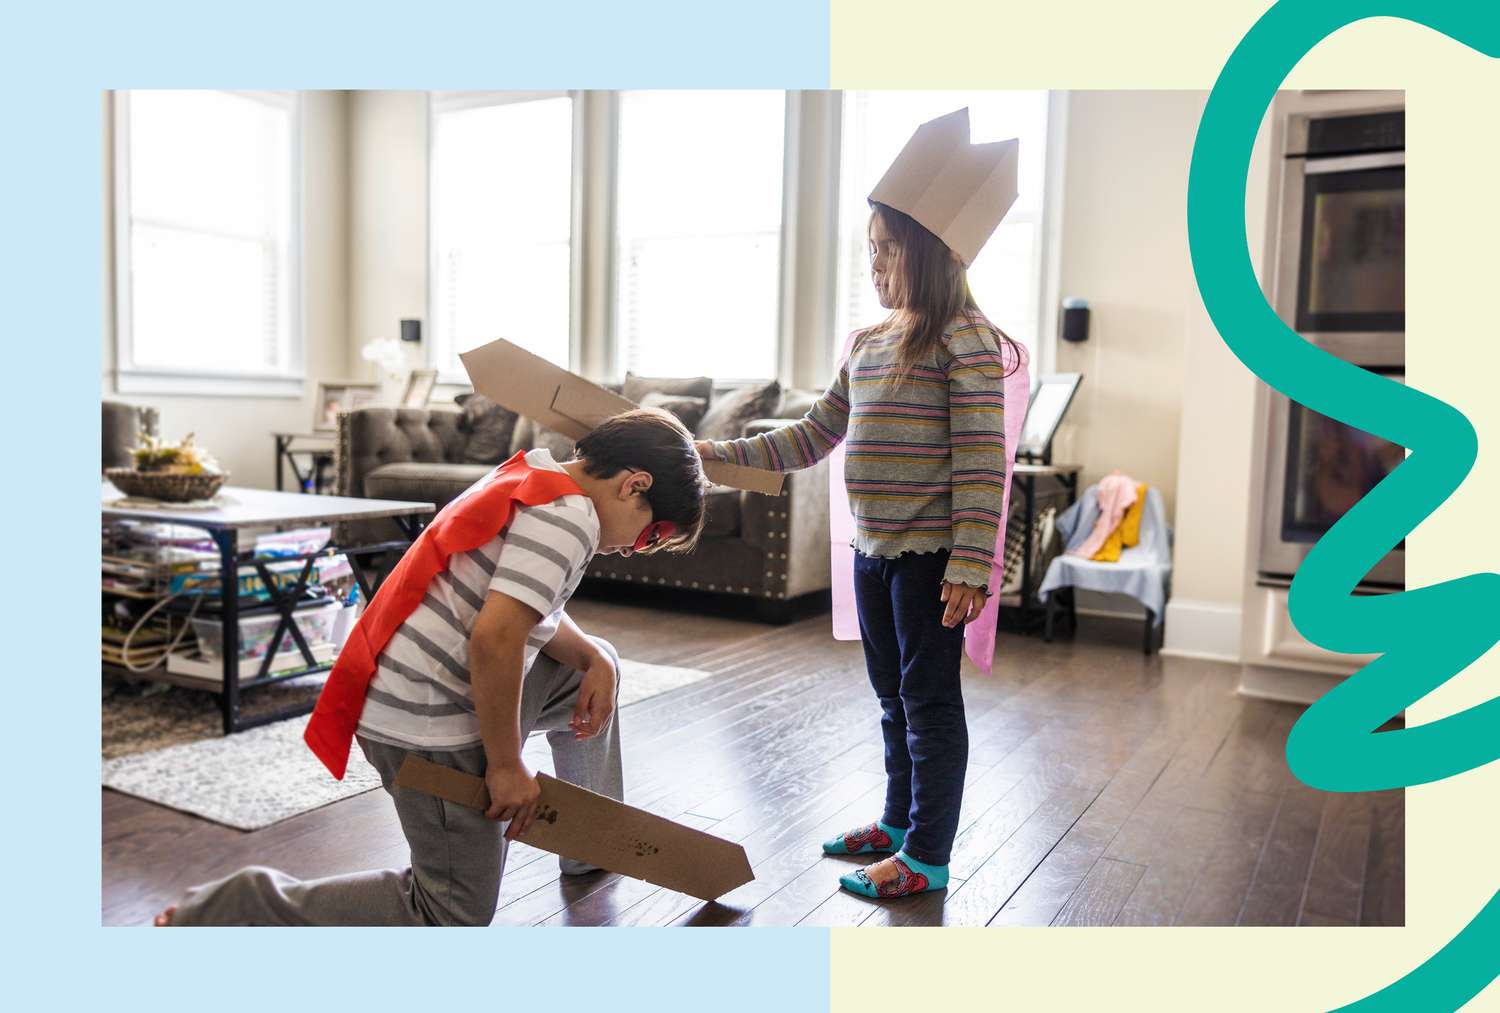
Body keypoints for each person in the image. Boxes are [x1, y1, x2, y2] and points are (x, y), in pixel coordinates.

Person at [158, 408, 707, 925]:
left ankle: (590, 840)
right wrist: (506, 767)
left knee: (596, 667)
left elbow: (534, 615)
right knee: (453, 912)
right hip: (425, 726)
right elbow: (495, 642)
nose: (637, 549)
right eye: (651, 534)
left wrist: (593, 658)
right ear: (634, 485)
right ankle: (248, 905)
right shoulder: (568, 524)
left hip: (429, 689)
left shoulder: (539, 477)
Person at [699, 180, 1026, 899]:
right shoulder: (867, 344)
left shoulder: (966, 341)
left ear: (933, 253)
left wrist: (973, 562)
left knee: (928, 700)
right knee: (891, 696)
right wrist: (718, 455)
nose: (872, 264)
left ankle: (928, 856)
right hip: (873, 554)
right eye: (868, 250)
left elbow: (980, 458)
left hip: (933, 562)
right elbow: (813, 433)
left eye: (885, 249)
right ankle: (899, 823)